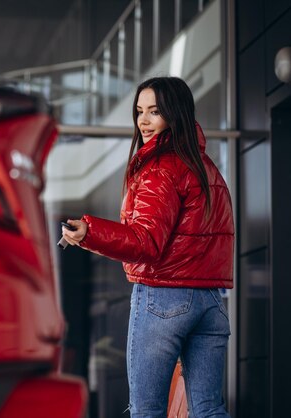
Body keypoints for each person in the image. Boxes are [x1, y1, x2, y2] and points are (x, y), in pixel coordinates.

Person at [60, 76, 234, 418]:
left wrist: (89, 232)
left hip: (164, 298)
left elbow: (146, 242)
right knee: (209, 410)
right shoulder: (207, 169)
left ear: (175, 114)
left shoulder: (160, 168)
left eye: (154, 112)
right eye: (139, 111)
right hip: (211, 301)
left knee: (147, 410)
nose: (143, 121)